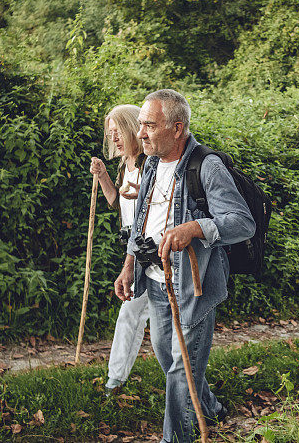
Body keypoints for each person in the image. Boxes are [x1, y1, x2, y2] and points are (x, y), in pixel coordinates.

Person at [115, 89, 255, 443]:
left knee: (181, 368)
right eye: (142, 124)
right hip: (156, 281)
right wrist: (130, 263)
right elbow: (143, 220)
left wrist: (196, 227)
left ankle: (176, 439)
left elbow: (242, 222)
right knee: (170, 359)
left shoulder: (206, 167)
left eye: (149, 125)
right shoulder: (150, 164)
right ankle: (210, 408)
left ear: (177, 129)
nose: (141, 133)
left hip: (193, 286)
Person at [89, 104, 149, 395]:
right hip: (134, 249)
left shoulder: (150, 165)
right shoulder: (127, 165)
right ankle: (116, 380)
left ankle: (115, 382)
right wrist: (102, 176)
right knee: (136, 314)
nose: (113, 138)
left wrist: (131, 259)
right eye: (110, 133)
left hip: (148, 252)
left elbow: (146, 216)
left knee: (132, 314)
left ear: (133, 129)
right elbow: (117, 201)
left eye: (118, 131)